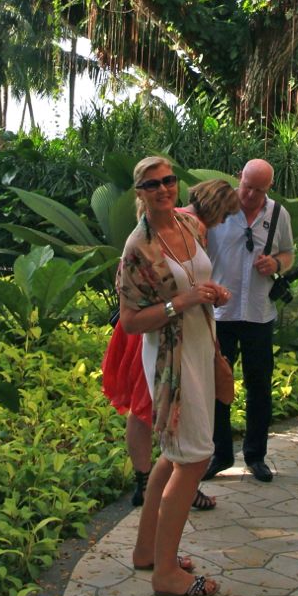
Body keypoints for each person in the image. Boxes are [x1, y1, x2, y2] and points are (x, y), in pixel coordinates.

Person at [116, 157, 231, 596]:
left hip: (200, 346)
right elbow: (130, 322)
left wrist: (211, 293)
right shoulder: (137, 248)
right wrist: (180, 303)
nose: (163, 189)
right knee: (194, 458)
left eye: (168, 180)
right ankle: (165, 573)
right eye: (152, 184)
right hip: (170, 360)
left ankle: (147, 551)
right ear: (140, 193)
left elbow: (195, 280)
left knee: (173, 455)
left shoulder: (190, 226)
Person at [102, 178, 240, 512]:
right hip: (161, 330)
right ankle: (170, 483)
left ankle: (148, 482)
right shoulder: (183, 225)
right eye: (225, 215)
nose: (223, 223)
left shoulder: (178, 220)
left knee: (143, 406)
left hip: (160, 327)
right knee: (151, 405)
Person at [204, 158, 294, 483]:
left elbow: (288, 253)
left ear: (269, 187)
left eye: (259, 189)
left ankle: (256, 456)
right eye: (247, 186)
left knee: (259, 387)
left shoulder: (278, 214)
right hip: (220, 314)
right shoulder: (217, 209)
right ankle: (220, 454)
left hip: (258, 313)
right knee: (217, 385)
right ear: (239, 177)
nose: (251, 195)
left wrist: (277, 264)